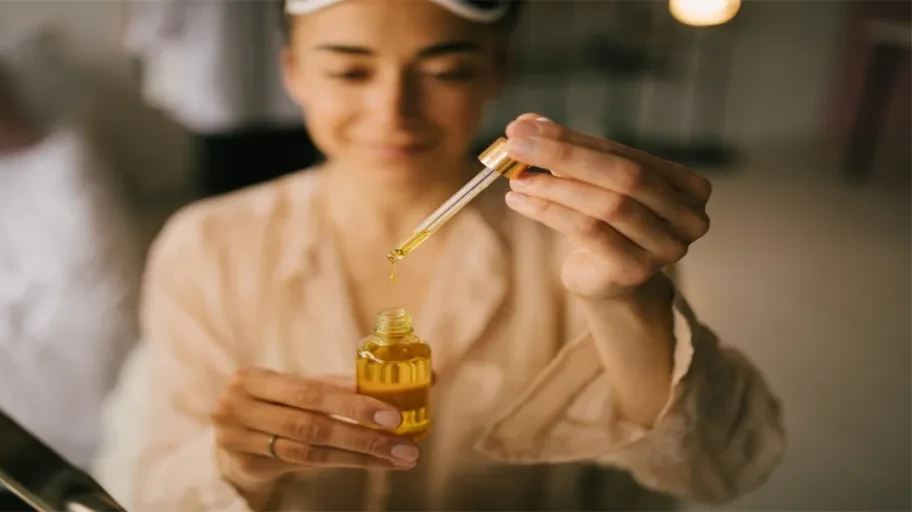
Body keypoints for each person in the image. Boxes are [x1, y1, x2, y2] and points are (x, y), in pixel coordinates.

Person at [92, 0, 786, 510]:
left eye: (446, 70)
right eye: (350, 71)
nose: (394, 111)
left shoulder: (582, 236)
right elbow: (150, 485)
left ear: (497, 71)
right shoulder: (209, 244)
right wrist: (233, 465)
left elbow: (714, 472)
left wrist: (629, 299)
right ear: (294, 72)